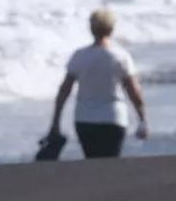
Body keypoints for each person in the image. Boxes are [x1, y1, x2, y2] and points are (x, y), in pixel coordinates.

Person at [48, 9, 148, 159]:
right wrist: (142, 120)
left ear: (91, 28)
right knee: (111, 165)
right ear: (112, 29)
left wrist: (56, 122)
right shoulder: (121, 56)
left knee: (92, 163)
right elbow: (134, 92)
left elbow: (64, 91)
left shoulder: (80, 56)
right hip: (113, 118)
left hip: (85, 119)